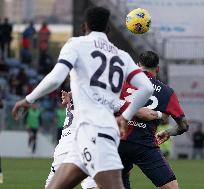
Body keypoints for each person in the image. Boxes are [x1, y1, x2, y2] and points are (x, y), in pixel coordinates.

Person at [12, 7, 153, 189]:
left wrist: (28, 99)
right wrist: (126, 117)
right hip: (86, 135)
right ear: (108, 29)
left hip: (95, 133)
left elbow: (56, 78)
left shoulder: (76, 45)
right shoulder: (123, 56)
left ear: (84, 26)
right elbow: (147, 88)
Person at [45, 91, 165, 189]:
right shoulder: (104, 98)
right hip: (86, 146)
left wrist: (69, 96)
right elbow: (141, 112)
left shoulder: (77, 94)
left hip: (63, 149)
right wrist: (161, 114)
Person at [118, 51, 189, 189]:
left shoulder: (122, 83)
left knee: (119, 180)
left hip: (117, 142)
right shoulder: (166, 91)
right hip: (144, 145)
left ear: (137, 66)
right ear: (157, 68)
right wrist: (169, 132)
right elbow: (184, 126)